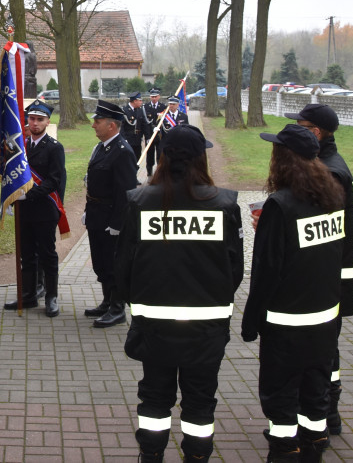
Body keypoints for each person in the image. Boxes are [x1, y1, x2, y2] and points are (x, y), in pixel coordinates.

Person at [116, 125, 243, 462]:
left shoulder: (139, 200)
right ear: (201, 157)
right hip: (206, 325)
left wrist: (140, 301)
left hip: (154, 323)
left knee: (155, 397)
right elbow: (235, 269)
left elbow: (123, 267)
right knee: (201, 399)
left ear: (164, 156)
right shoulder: (225, 203)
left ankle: (151, 455)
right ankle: (197, 457)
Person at [242, 124, 345, 462]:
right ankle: (314, 448)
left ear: (283, 159)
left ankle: (284, 451)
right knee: (315, 393)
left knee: (281, 395)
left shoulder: (280, 205)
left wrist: (251, 321)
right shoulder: (332, 195)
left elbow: (266, 272)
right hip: (325, 319)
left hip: (287, 323)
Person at [284, 103, 353, 435]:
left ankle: (324, 413)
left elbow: (319, 233)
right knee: (327, 350)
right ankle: (328, 411)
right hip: (332, 280)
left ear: (315, 132)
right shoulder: (330, 164)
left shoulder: (329, 172)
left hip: (323, 282)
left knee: (322, 353)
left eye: (300, 126)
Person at [2, 100, 67, 317]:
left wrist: (27, 195)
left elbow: (54, 180)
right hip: (24, 212)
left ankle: (51, 297)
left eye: (40, 119)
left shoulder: (54, 148)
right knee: (27, 255)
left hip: (44, 209)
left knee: (47, 254)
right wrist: (12, 198)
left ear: (48, 121)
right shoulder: (20, 147)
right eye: (31, 119)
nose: (35, 123)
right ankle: (29, 294)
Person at [83, 100, 138, 328]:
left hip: (111, 218)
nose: (93, 125)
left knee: (114, 264)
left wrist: (117, 224)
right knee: (101, 263)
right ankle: (107, 301)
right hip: (96, 214)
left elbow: (125, 192)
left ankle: (117, 308)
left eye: (97, 121)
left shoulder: (122, 152)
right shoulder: (102, 146)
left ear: (112, 126)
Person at [140, 89, 167, 180]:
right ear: (150, 97)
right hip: (150, 136)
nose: (154, 98)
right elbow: (144, 123)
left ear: (159, 96)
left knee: (160, 155)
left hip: (160, 136)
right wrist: (146, 136)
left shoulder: (163, 107)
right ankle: (149, 174)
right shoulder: (145, 107)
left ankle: (159, 174)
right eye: (152, 97)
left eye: (155, 96)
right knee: (150, 156)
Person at [121, 92, 145, 161]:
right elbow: (121, 127)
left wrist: (147, 137)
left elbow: (143, 124)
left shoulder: (140, 110)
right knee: (128, 160)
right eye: (140, 100)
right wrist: (124, 139)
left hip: (137, 140)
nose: (141, 102)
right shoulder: (124, 110)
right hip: (128, 140)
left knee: (137, 159)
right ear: (135, 101)